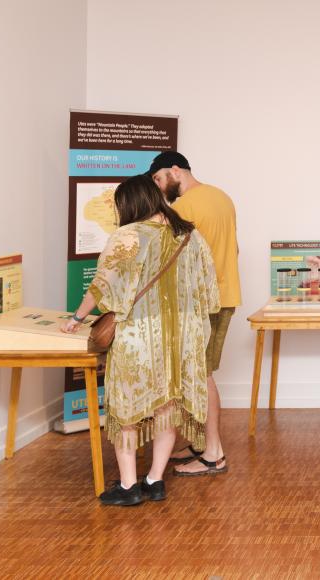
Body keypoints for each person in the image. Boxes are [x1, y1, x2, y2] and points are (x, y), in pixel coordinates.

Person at [61, 174, 220, 505]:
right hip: (180, 338)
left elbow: (102, 286)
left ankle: (130, 486)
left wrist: (76, 319)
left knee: (127, 410)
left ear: (131, 204)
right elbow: (207, 289)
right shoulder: (190, 235)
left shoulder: (127, 236)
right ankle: (155, 479)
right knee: (167, 407)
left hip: (138, 336)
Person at [149, 151, 241, 476]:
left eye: (160, 179)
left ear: (176, 170)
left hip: (203, 302)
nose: (160, 188)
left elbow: (170, 261)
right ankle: (202, 443)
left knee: (202, 375)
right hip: (225, 295)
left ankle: (213, 454)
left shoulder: (184, 207)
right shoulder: (222, 197)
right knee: (202, 373)